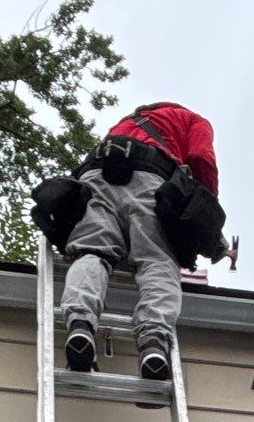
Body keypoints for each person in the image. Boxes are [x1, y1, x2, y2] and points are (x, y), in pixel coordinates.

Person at [55, 102, 223, 381]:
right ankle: (154, 341)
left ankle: (80, 324)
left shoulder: (126, 123)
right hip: (148, 175)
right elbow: (200, 157)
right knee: (156, 259)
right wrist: (209, 219)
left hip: (94, 175)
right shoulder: (194, 120)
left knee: (93, 251)